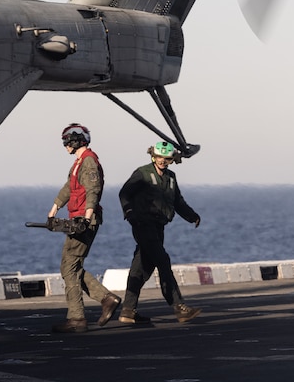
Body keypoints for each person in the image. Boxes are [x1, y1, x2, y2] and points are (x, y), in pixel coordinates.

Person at [47, 123, 123, 333]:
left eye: (66, 142)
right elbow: (69, 187)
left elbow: (92, 190)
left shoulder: (88, 161)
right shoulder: (79, 162)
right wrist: (54, 208)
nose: (64, 146)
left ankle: (78, 318)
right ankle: (105, 299)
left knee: (69, 267)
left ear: (74, 140)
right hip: (77, 218)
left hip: (83, 220)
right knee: (71, 266)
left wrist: (86, 217)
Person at [117, 141, 202, 325]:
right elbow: (124, 193)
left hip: (158, 226)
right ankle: (179, 307)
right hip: (143, 224)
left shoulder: (171, 177)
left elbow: (177, 201)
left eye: (166, 158)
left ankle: (128, 311)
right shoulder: (142, 173)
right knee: (163, 261)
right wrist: (129, 213)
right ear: (153, 156)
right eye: (159, 157)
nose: (163, 161)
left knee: (141, 268)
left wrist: (192, 216)